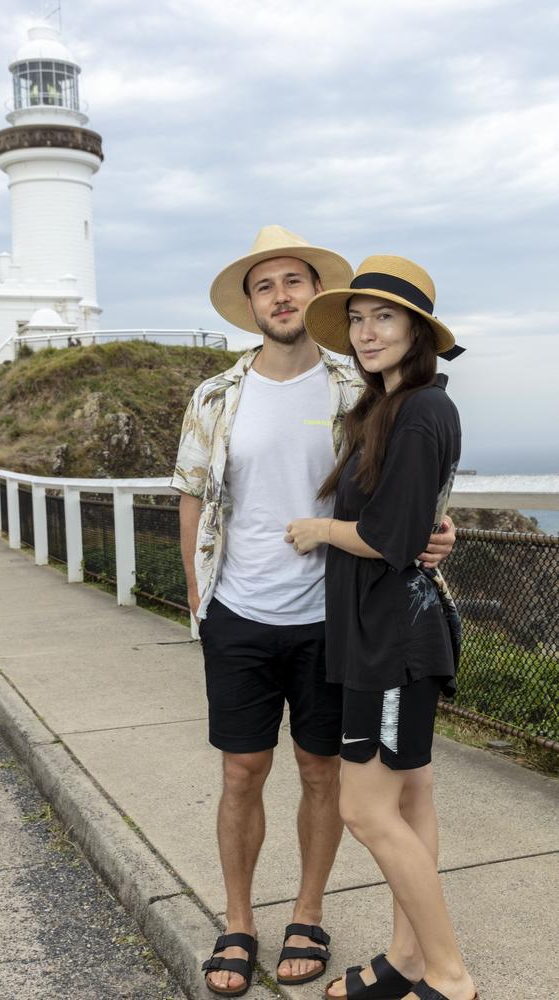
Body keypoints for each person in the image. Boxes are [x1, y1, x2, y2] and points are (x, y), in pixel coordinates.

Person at [173, 229, 456, 997]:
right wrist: (202, 604)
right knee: (241, 771)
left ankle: (308, 911)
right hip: (238, 610)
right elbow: (192, 497)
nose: (281, 296)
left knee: (322, 772)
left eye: (294, 281)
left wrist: (438, 523)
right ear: (250, 304)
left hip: (333, 618)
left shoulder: (355, 386)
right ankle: (238, 921)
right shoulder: (214, 396)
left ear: (312, 292)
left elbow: (405, 472)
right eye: (265, 286)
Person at [286, 255, 477, 1000]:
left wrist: (319, 531)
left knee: (365, 808)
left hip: (393, 643)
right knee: (410, 797)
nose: (367, 332)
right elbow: (411, 519)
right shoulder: (383, 408)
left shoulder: (425, 407)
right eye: (358, 319)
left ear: (418, 331)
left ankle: (450, 975)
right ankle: (404, 958)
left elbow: (394, 539)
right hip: (377, 633)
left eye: (384, 317)